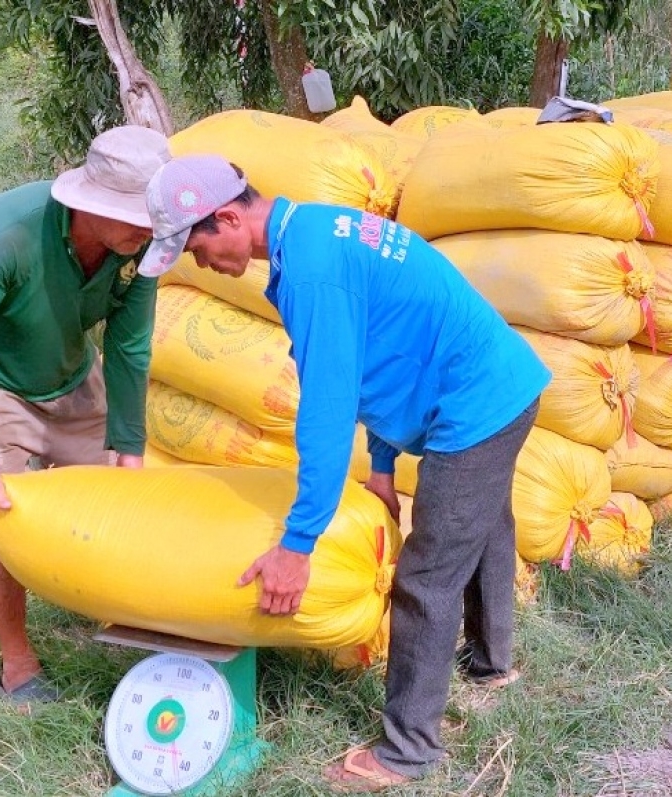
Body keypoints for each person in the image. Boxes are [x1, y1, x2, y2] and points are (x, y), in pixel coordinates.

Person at [139, 154, 551, 790]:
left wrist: (297, 544)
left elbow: (327, 410)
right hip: (502, 386)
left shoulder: (312, 273)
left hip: (477, 406)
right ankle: (492, 668)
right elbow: (377, 358)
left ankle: (407, 751)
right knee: (485, 520)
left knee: (426, 575)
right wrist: (382, 466)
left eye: (196, 248)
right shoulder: (312, 231)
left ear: (226, 217)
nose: (199, 264)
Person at [0, 125, 170, 704]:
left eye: (153, 216)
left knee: (126, 501)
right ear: (89, 204)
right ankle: (18, 662)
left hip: (71, 378)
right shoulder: (5, 232)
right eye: (134, 215)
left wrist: (128, 448)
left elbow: (130, 348)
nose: (148, 228)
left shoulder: (142, 247)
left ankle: (118, 620)